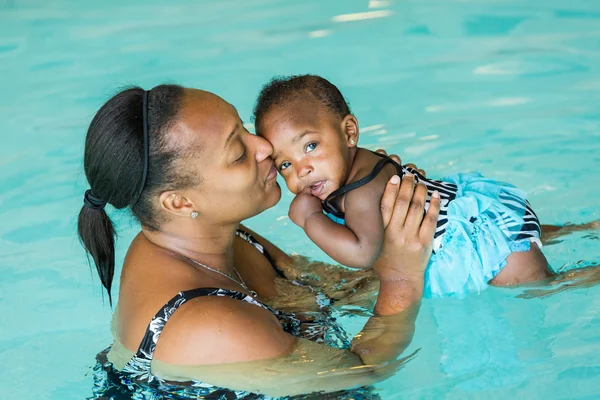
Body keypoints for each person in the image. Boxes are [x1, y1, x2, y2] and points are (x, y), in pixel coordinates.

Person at [79, 84, 441, 399]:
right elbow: (360, 374)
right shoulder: (205, 325)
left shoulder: (219, 236)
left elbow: (339, 289)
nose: (265, 148)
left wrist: (378, 206)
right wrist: (402, 279)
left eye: (244, 128)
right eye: (238, 153)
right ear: (181, 202)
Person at [253, 74, 554, 298]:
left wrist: (310, 219)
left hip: (495, 255)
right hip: (486, 221)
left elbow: (361, 254)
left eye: (311, 146)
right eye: (285, 164)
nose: (302, 169)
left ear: (349, 132)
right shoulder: (358, 164)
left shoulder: (360, 192)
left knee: (553, 288)